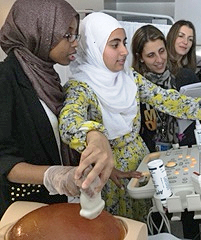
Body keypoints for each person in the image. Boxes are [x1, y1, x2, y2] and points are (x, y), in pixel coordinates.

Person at [58, 12, 201, 221]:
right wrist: (93, 134)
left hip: (142, 162)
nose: (124, 51)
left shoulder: (129, 78)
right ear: (93, 46)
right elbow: (69, 121)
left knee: (149, 221)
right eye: (115, 44)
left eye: (124, 43)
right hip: (110, 172)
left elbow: (167, 99)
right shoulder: (79, 87)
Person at [0, 0, 113, 218]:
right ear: (39, 30)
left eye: (75, 35)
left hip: (58, 203)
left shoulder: (47, 76)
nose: (74, 43)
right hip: (25, 207)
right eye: (66, 35)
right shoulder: (6, 78)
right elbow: (3, 157)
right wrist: (52, 175)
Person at [131, 25, 179, 152]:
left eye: (162, 51)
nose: (159, 59)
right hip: (147, 153)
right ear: (140, 57)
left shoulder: (178, 78)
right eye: (151, 55)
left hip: (177, 149)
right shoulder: (134, 88)